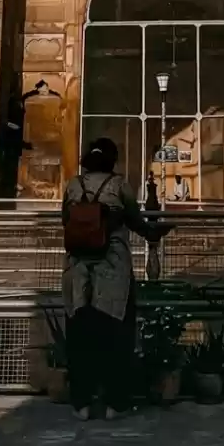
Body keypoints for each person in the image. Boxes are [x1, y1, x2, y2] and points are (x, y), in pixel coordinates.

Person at [61, 137, 153, 419]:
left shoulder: (73, 185)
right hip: (113, 270)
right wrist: (155, 233)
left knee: (80, 335)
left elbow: (65, 219)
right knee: (116, 336)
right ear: (112, 159)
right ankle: (115, 402)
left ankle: (82, 403)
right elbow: (136, 221)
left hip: (78, 270)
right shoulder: (119, 185)